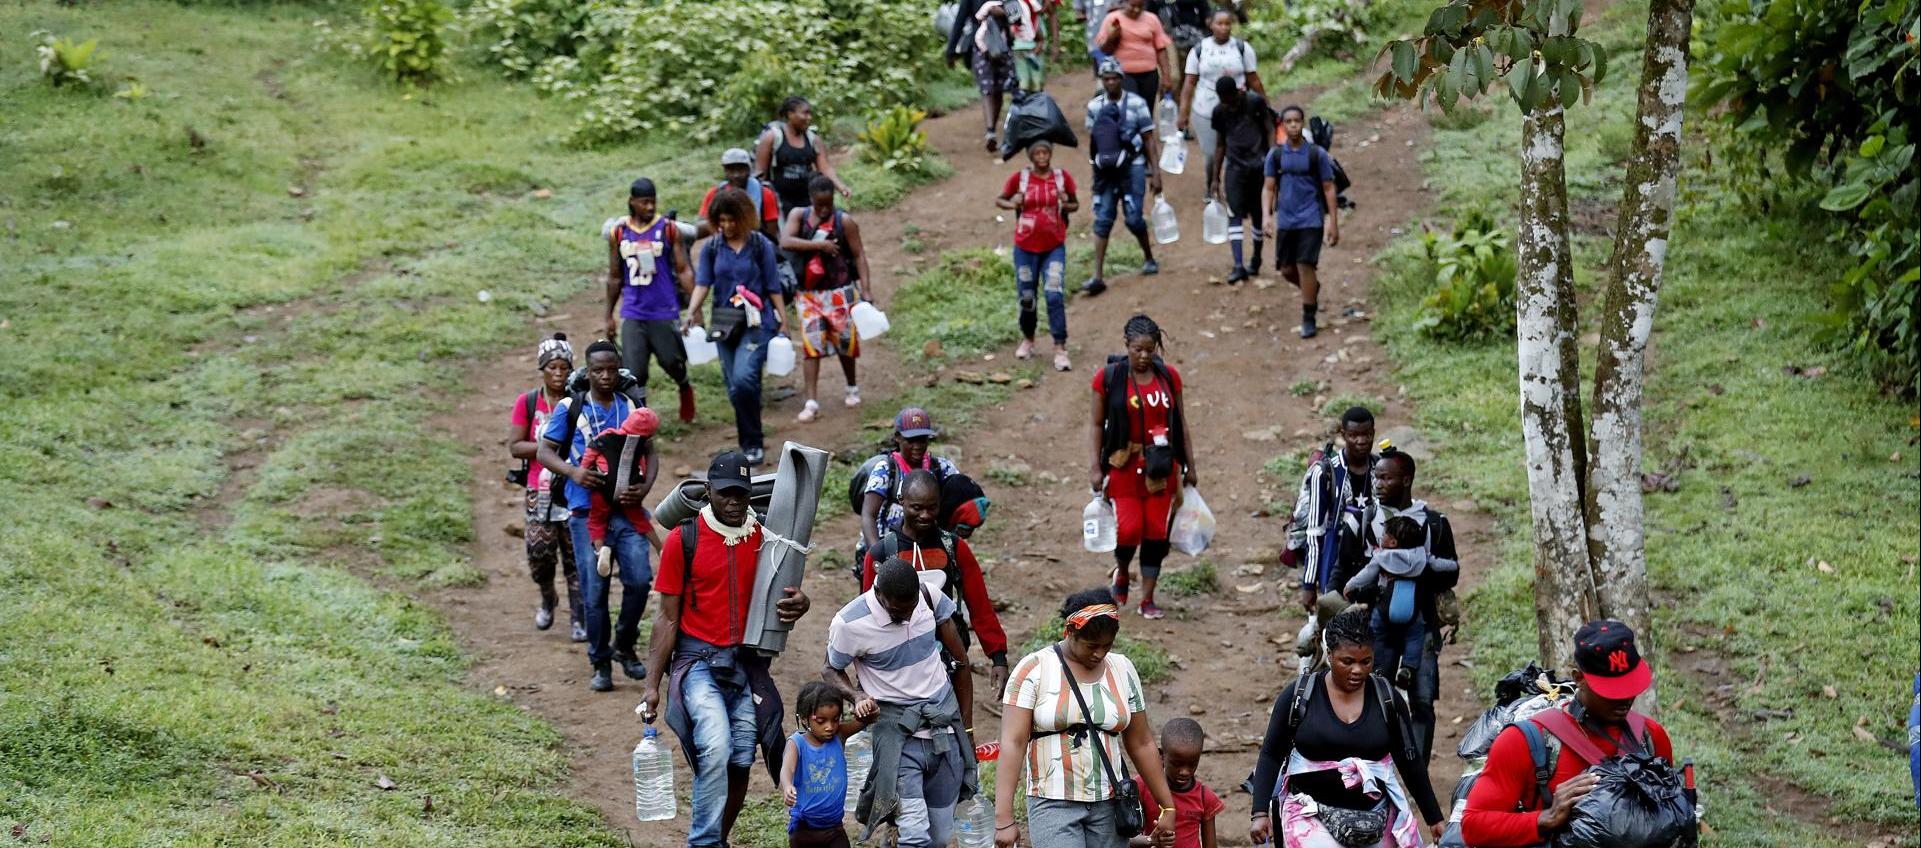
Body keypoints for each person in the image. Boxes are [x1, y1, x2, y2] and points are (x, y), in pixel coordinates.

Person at [639, 451, 815, 848]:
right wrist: (652, 684)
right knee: (715, 745)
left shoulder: (765, 538)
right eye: (725, 494)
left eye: (741, 494)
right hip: (697, 661)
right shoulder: (684, 539)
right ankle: (702, 843)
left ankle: (717, 838)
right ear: (708, 492)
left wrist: (801, 603)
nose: (734, 502)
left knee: (739, 762)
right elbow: (667, 619)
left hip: (744, 665)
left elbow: (786, 594)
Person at [1461, 620, 1677, 846]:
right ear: (1578, 678)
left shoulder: (1650, 737)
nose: (1623, 700)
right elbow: (1473, 825)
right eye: (1611, 691)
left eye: (1629, 687)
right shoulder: (1525, 742)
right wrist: (1546, 818)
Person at [1246, 607, 1445, 847]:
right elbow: (1271, 754)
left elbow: (1409, 761)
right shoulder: (1299, 695)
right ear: (1329, 655)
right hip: (1309, 816)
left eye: (1366, 661)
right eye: (1347, 661)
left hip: (1375, 818)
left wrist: (1434, 817)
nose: (1357, 670)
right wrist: (1259, 813)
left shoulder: (1387, 699)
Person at [993, 593, 1179, 848]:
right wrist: (1003, 819)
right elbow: (1013, 743)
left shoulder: (1123, 669)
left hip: (1110, 801)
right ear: (1070, 631)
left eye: (1107, 645)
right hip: (1052, 801)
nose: (1099, 654)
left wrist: (1167, 806)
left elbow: (1141, 742)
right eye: (1092, 645)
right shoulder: (1033, 669)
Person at [824, 559, 980, 848]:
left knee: (940, 835)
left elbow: (961, 663)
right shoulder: (849, 623)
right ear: (878, 591)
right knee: (915, 833)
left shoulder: (929, 596)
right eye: (898, 611)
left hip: (942, 728)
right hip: (898, 735)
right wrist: (857, 696)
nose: (907, 617)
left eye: (911, 608)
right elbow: (830, 669)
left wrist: (967, 731)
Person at [535, 340, 655, 692]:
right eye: (597, 370)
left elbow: (651, 450)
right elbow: (545, 450)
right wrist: (573, 473)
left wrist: (645, 487)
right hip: (585, 512)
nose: (605, 376)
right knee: (594, 589)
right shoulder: (572, 407)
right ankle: (599, 661)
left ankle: (625, 645)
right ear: (586, 372)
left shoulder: (630, 404)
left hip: (628, 510)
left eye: (611, 370)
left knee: (639, 580)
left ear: (619, 371)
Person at [1337, 446, 1461, 762]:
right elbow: (1346, 567)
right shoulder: (1365, 519)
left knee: (1422, 699)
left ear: (1405, 480)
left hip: (1423, 623)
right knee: (1374, 693)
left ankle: (1416, 768)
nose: (1377, 484)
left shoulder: (1434, 523)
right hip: (1377, 623)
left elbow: (1452, 570)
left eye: (1386, 478)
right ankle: (1373, 762)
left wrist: (1416, 569)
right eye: (1376, 478)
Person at [859, 470, 1012, 718]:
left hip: (947, 653)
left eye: (932, 507)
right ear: (902, 502)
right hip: (898, 658)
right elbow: (866, 614)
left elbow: (980, 605)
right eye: (917, 507)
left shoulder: (954, 548)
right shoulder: (880, 553)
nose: (925, 515)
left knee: (951, 723)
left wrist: (998, 657)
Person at [1090, 314, 1196, 620]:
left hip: (1162, 468)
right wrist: (1094, 467)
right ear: (1127, 345)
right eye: (1138, 349)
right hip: (1123, 466)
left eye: (1150, 349)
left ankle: (1147, 598)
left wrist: (1190, 464)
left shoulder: (1169, 377)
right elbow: (1097, 424)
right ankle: (1122, 571)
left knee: (1156, 533)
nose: (1144, 356)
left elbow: (1181, 422)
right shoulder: (1108, 378)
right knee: (1129, 528)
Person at [685, 188, 787, 467]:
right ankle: (749, 436)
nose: (727, 226)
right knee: (735, 387)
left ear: (744, 218)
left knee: (743, 379)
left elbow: (772, 284)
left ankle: (752, 443)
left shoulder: (759, 245)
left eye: (732, 220)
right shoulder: (712, 248)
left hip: (757, 323)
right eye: (722, 221)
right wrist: (692, 312)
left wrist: (783, 320)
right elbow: (703, 284)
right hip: (725, 325)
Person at [1288, 406, 1377, 670]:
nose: (1361, 441)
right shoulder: (1326, 472)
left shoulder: (1380, 468)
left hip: (1372, 557)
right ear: (1343, 434)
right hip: (1334, 556)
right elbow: (1315, 531)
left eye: (1367, 435)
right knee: (1332, 619)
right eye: (1354, 435)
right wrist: (1308, 583)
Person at [507, 332, 583, 639]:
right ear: (542, 369)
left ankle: (579, 617)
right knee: (539, 552)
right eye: (552, 367)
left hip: (572, 487)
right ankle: (548, 597)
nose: (558, 373)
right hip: (538, 488)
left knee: (575, 554)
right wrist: (547, 445)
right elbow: (515, 446)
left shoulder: (578, 401)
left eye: (563, 367)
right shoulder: (528, 403)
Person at [608, 177, 698, 424]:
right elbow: (614, 276)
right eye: (644, 202)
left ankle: (684, 386)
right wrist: (609, 315)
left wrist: (695, 304)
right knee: (634, 372)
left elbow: (683, 269)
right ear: (632, 202)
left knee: (672, 361)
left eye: (653, 202)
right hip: (633, 311)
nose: (649, 207)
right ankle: (641, 419)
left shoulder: (668, 229)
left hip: (663, 309)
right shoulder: (619, 232)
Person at [781, 175, 871, 422]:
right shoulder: (799, 216)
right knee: (812, 346)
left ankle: (852, 386)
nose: (823, 209)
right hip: (808, 294)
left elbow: (859, 255)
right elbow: (785, 241)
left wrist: (866, 290)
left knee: (845, 341)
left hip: (839, 291)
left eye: (828, 204)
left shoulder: (844, 222)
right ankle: (811, 400)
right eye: (819, 204)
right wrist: (819, 247)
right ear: (811, 200)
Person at [1342, 515, 1458, 689]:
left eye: (1384, 535)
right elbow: (1440, 564)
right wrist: (1453, 565)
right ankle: (1408, 667)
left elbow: (1365, 574)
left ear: (1393, 543)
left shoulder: (1383, 557)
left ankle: (1376, 664)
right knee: (1415, 636)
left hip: (1384, 608)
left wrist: (1350, 586)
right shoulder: (1421, 556)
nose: (1382, 538)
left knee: (1377, 632)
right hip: (1412, 610)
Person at [996, 140, 1081, 370]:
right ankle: (1028, 339)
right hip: (1025, 247)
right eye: (1038, 153)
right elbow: (1000, 199)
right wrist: (1012, 202)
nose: (1042, 157)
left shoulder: (1062, 178)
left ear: (1051, 154)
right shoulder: (1020, 179)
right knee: (1027, 297)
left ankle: (1060, 347)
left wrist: (1066, 201)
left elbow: (1075, 205)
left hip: (1053, 246)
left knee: (1054, 294)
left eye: (1046, 152)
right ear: (1031, 156)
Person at [1083, 59, 1163, 297]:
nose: (1110, 82)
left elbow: (1149, 139)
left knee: (1133, 217)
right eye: (1106, 78)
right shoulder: (1094, 107)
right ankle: (1097, 275)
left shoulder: (1137, 104)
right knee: (1103, 217)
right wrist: (1095, 174)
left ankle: (1148, 256)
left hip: (1134, 166)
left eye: (1114, 78)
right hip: (1106, 171)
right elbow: (1094, 142)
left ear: (1121, 79)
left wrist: (1155, 173)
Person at [1261, 105, 1341, 338]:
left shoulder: (1316, 154)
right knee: (1287, 270)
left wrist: (1333, 222)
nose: (1293, 125)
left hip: (1311, 218)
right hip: (1286, 219)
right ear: (1283, 126)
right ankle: (1311, 289)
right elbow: (1268, 187)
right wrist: (1267, 216)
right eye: (1289, 121)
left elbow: (1329, 188)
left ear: (1302, 123)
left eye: (1297, 121)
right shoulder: (1276, 155)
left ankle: (1309, 317)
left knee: (1305, 264)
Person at [1178, 9, 1263, 203]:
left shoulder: (1242, 48)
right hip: (1206, 109)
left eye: (1227, 24)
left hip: (1238, 110)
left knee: (1238, 150)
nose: (1224, 28)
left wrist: (1264, 106)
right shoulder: (1199, 50)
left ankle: (1240, 189)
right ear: (1211, 24)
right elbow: (1189, 83)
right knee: (1211, 152)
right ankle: (1211, 184)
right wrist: (1183, 112)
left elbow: (1254, 80)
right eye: (1220, 24)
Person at [858, 407, 962, 558]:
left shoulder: (942, 468)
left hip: (929, 550)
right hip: (888, 548)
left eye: (922, 439)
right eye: (911, 440)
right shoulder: (886, 470)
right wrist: (877, 556)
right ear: (897, 437)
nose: (917, 446)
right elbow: (868, 515)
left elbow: (962, 503)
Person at [781, 682, 870, 848]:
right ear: (804, 718)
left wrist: (865, 706)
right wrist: (787, 786)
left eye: (835, 720)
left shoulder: (839, 735)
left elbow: (866, 720)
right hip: (803, 830)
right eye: (821, 721)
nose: (830, 727)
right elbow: (788, 768)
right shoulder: (797, 743)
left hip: (834, 830)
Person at [1209, 75, 1273, 285]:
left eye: (1230, 100)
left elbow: (1269, 129)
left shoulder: (1254, 102)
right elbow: (1220, 144)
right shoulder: (1219, 112)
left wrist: (1271, 159)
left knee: (1257, 214)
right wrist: (1215, 177)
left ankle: (1256, 258)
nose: (1227, 105)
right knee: (1234, 214)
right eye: (1223, 101)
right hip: (1234, 168)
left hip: (1258, 166)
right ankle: (1238, 265)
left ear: (1237, 93)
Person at [577, 407, 663, 559]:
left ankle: (600, 550)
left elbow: (591, 451)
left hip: (602, 486)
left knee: (596, 520)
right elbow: (642, 465)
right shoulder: (641, 444)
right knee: (640, 519)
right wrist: (641, 483)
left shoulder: (606, 436)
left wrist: (584, 469)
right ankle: (660, 549)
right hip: (629, 491)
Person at [1130, 718, 1225, 848]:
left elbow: (1210, 845)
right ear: (1161, 756)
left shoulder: (1204, 797)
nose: (1185, 772)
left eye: (1192, 764)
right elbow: (1125, 839)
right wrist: (1151, 840)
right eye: (1176, 764)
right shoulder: (1143, 786)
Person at [756, 97, 851, 217]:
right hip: (779, 201)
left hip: (808, 198)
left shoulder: (813, 140)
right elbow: (760, 173)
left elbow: (825, 168)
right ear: (790, 114)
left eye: (810, 113)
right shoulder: (772, 138)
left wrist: (841, 187)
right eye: (805, 113)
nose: (809, 118)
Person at [698, 148, 783, 242]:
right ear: (725, 171)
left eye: (740, 169)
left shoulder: (764, 194)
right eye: (731, 170)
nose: (736, 175)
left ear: (749, 169)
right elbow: (701, 225)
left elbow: (771, 232)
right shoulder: (715, 193)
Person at [975, 0, 1056, 98]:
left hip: (1018, 43)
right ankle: (1033, 103)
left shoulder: (993, 5)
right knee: (1031, 84)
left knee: (1024, 84)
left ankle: (1028, 102)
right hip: (1023, 42)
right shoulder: (1023, 4)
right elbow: (1040, 10)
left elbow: (979, 17)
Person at [1097, 0, 1175, 101]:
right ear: (1124, 3)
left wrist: (1166, 76)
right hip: (1125, 74)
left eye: (1141, 6)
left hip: (1149, 74)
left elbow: (1161, 49)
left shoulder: (1152, 19)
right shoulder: (1112, 19)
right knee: (1130, 108)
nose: (1137, 9)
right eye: (1133, 6)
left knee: (1146, 109)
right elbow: (1105, 50)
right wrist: (1112, 37)